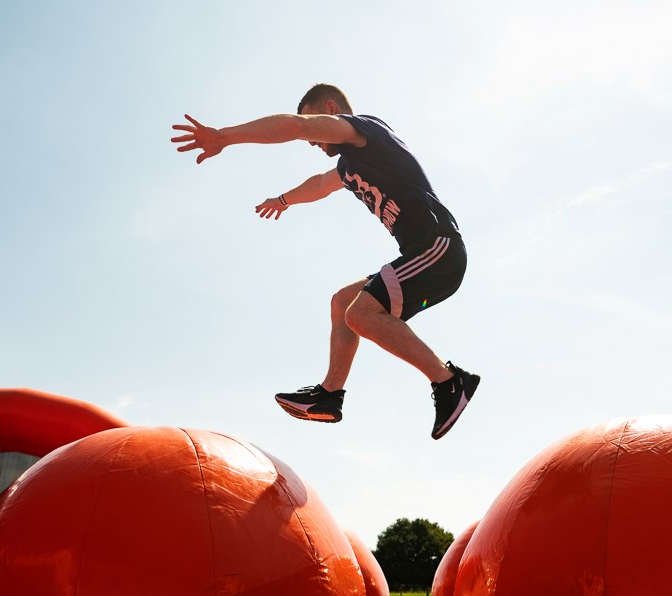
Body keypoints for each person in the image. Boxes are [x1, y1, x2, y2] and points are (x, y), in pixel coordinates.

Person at [171, 83, 479, 440]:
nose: (313, 143)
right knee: (343, 303)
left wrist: (224, 136)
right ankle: (330, 396)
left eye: (315, 129)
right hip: (419, 254)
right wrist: (284, 200)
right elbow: (319, 184)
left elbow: (296, 127)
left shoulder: (366, 130)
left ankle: (448, 381)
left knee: (361, 314)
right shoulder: (350, 165)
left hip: (438, 247)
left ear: (329, 109)